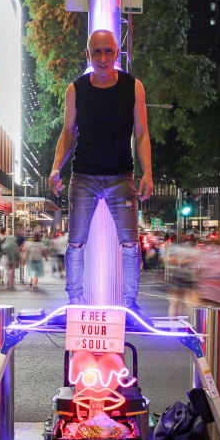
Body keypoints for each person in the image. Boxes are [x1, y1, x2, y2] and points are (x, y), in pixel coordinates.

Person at [49, 29, 153, 315]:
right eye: (97, 51)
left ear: (117, 54)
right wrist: (56, 167)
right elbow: (67, 133)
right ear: (88, 54)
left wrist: (148, 173)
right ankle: (75, 301)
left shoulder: (133, 87)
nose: (104, 57)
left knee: (131, 243)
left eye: (109, 51)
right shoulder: (76, 89)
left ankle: (130, 304)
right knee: (76, 241)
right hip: (83, 175)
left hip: (121, 175)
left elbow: (142, 134)